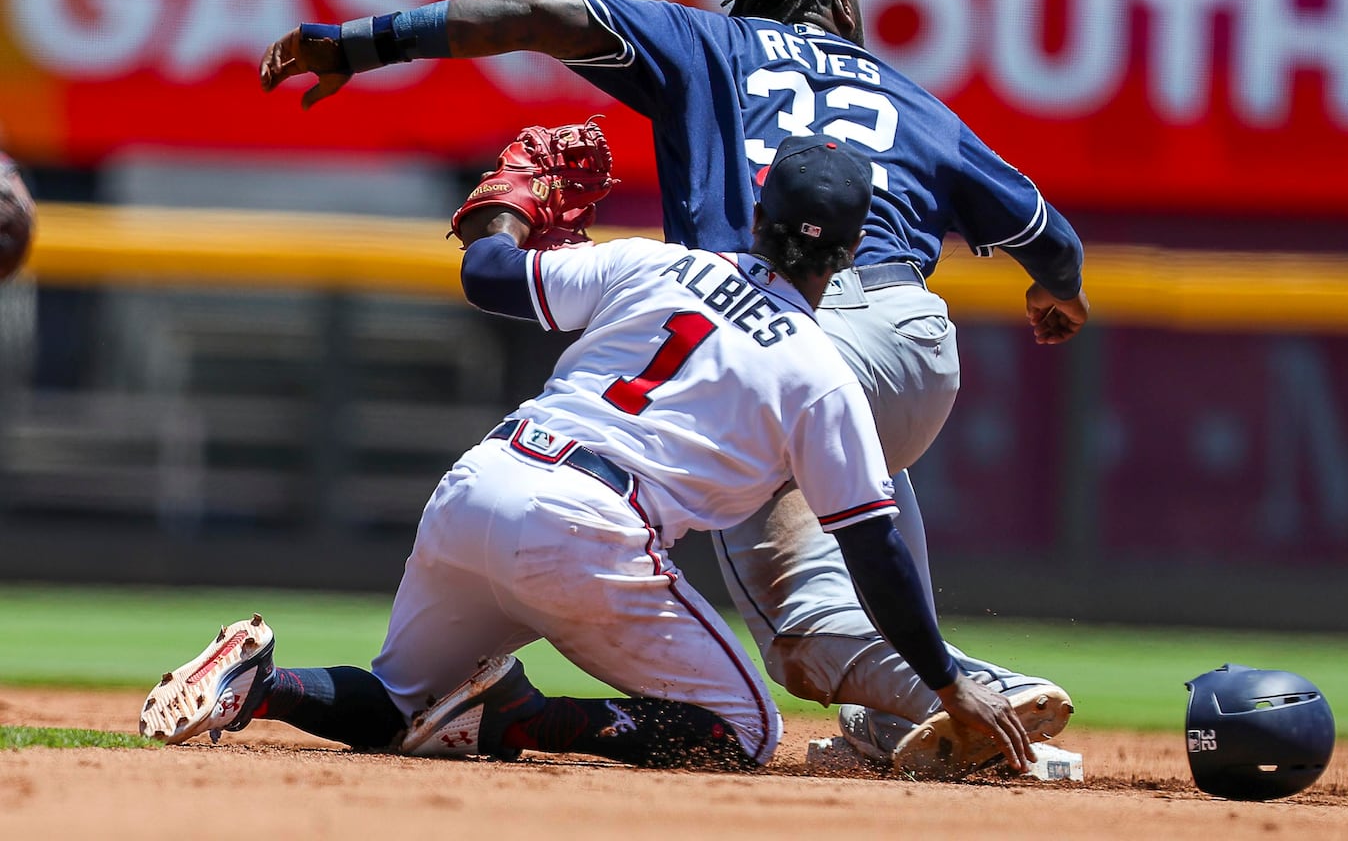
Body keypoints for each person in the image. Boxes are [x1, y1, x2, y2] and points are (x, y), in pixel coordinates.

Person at [259, 0, 1088, 770]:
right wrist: (1057, 296)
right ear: (843, 4)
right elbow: (1051, 241)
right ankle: (906, 716)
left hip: (783, 339)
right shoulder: (918, 103)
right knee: (857, 479)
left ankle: (956, 689)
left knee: (798, 621)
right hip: (913, 345)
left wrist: (360, 45)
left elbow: (530, 15)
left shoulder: (708, 44)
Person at [140, 128, 1068, 775]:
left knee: (396, 701)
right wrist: (947, 683)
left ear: (757, 209)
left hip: (485, 479)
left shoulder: (659, 263)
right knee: (745, 731)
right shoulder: (821, 375)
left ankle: (262, 687)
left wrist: (504, 208)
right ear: (856, 246)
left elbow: (488, 274)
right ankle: (522, 714)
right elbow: (874, 551)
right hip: (593, 530)